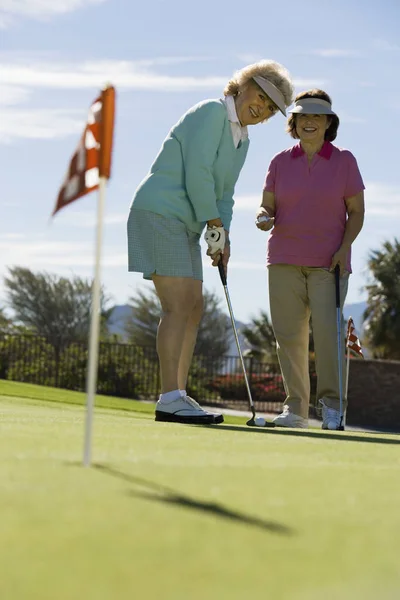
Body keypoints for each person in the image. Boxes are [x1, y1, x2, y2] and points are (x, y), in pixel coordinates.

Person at [128, 60, 294, 425]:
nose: (261, 108)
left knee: (195, 307)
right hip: (160, 211)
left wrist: (223, 238)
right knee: (178, 304)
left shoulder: (242, 141)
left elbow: (224, 196)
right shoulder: (211, 113)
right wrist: (214, 225)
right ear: (243, 84)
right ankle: (169, 397)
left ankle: (178, 394)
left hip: (185, 222)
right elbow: (198, 174)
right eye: (260, 96)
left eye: (270, 108)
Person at [256, 89, 365, 429]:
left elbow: (357, 212)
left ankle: (332, 406)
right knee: (289, 336)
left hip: (328, 264)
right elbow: (267, 206)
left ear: (328, 123)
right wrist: (263, 216)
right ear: (294, 121)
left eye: (317, 116)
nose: (309, 122)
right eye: (303, 116)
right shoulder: (279, 162)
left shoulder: (344, 161)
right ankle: (296, 409)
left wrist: (343, 249)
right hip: (284, 258)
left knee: (329, 337)